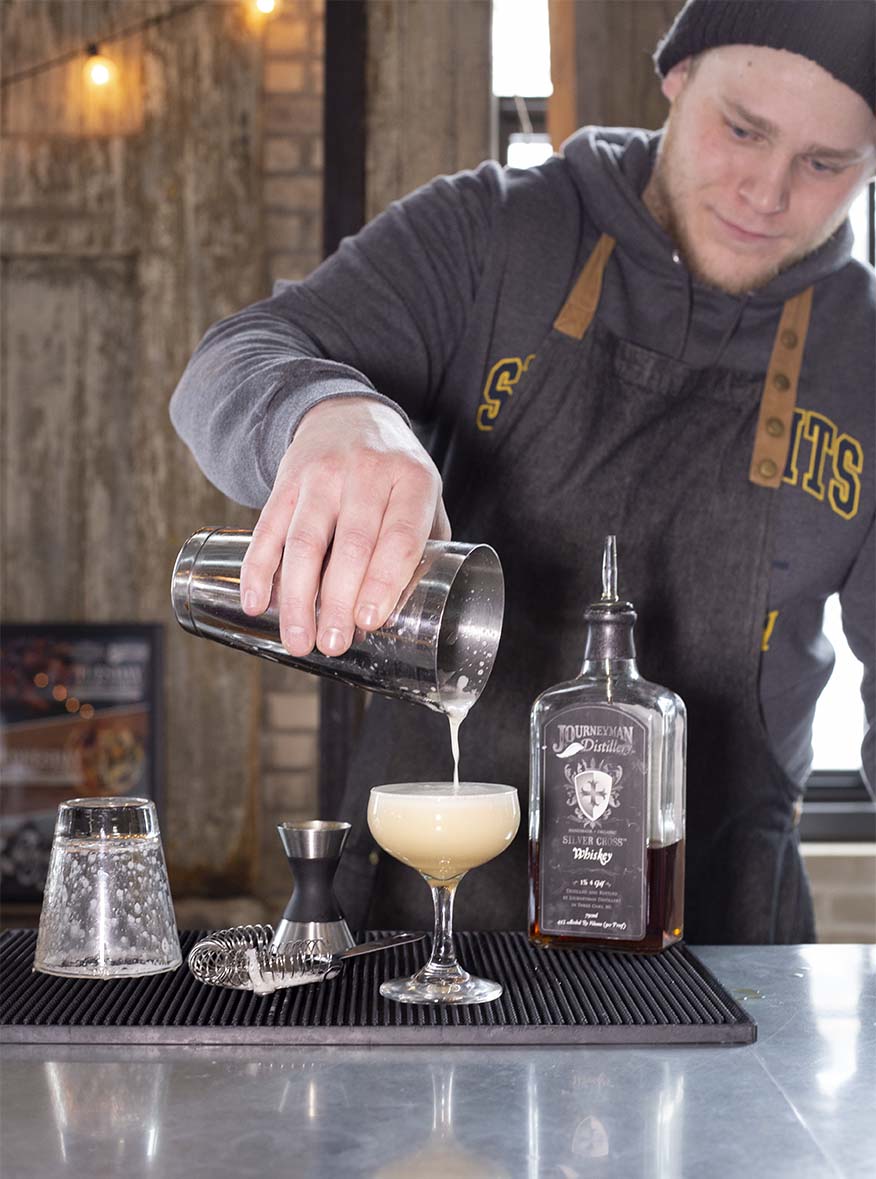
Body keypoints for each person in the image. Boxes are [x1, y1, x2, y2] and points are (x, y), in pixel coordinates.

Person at [171, 0, 875, 943]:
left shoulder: (864, 354)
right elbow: (232, 361)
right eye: (741, 130)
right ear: (677, 75)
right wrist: (331, 413)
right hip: (423, 925)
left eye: (825, 164)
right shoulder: (497, 233)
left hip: (725, 943)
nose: (766, 190)